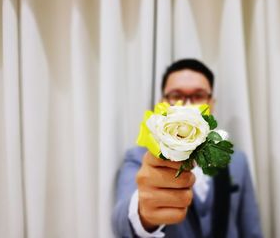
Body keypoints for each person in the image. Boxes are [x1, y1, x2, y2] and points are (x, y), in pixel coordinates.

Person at [112, 59, 263, 238]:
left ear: (211, 103)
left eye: (198, 95)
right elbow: (120, 221)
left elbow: (250, 228)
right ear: (163, 102)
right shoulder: (137, 157)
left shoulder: (237, 160)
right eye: (176, 95)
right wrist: (143, 211)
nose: (187, 105)